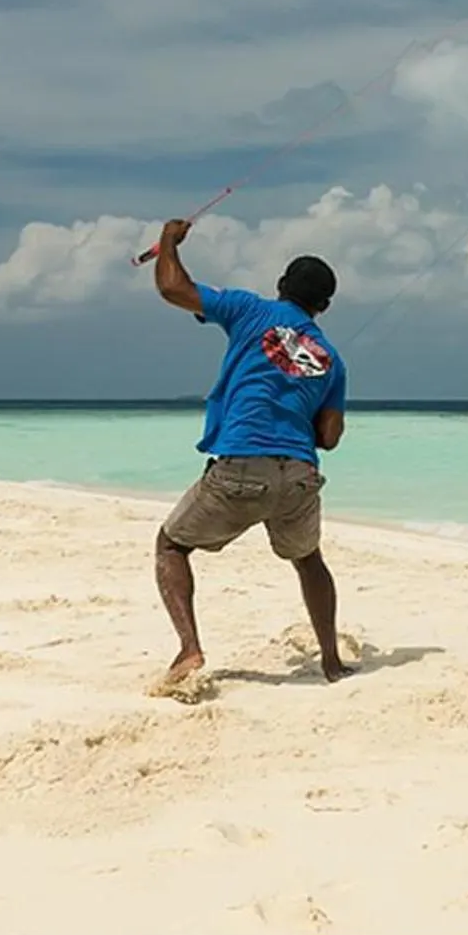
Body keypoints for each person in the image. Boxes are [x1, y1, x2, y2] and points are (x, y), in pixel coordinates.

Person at [149, 218, 353, 689]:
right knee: (309, 561)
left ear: (280, 286)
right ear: (324, 306)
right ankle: (331, 661)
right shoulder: (332, 359)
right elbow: (330, 436)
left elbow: (172, 288)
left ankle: (189, 648)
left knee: (171, 545)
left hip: (242, 464)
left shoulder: (248, 309)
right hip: (300, 474)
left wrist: (168, 240)